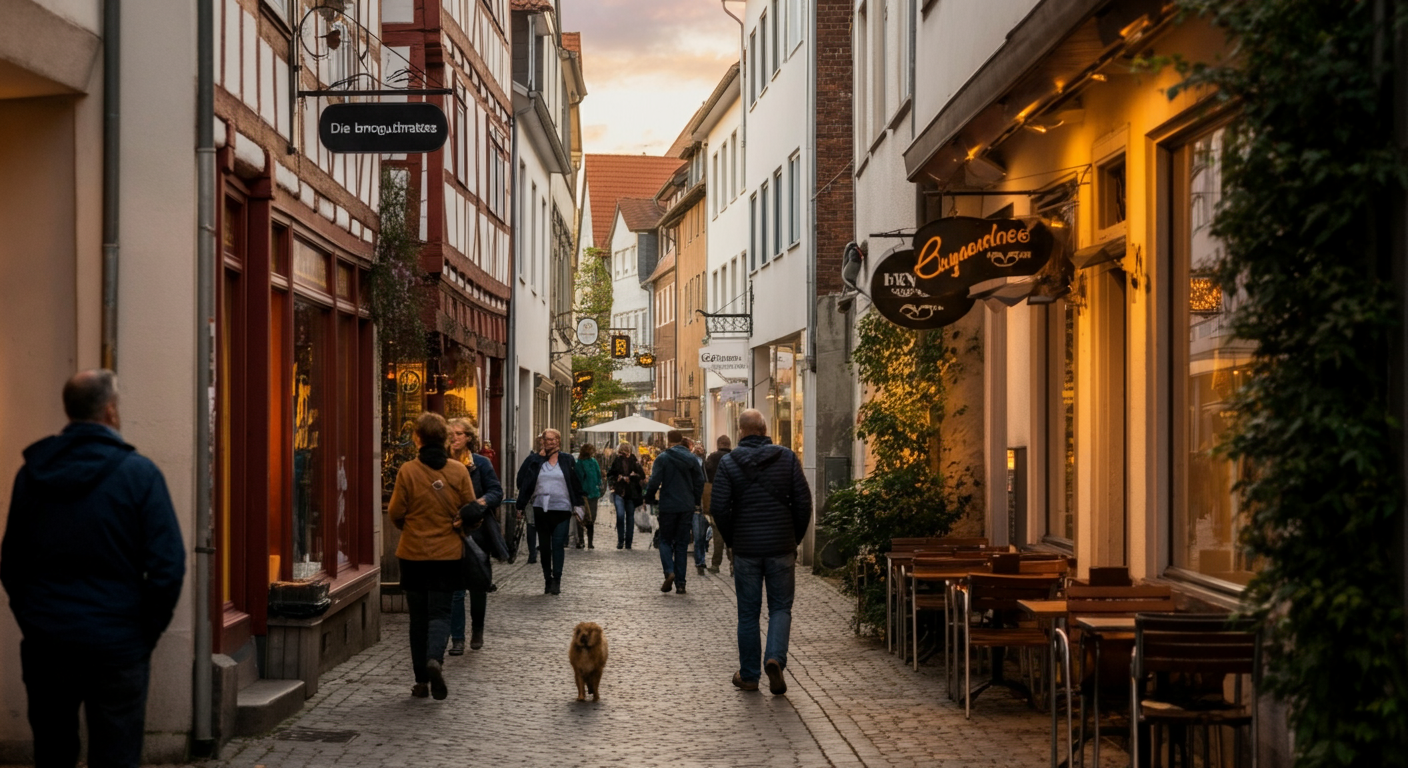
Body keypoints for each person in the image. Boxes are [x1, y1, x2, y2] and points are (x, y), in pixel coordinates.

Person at [1, 370, 186, 767]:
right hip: (117, 644)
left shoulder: (31, 475)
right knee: (116, 754)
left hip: (49, 642)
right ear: (110, 411)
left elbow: (11, 562)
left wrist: (35, 619)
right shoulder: (139, 475)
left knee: (53, 751)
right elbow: (168, 566)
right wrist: (143, 631)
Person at [709, 409, 811, 696]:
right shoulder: (788, 457)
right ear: (765, 430)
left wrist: (732, 540)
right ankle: (775, 658)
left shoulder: (729, 463)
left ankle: (750, 675)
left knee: (748, 614)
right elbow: (804, 503)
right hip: (781, 546)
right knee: (780, 608)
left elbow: (718, 507)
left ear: (741, 432)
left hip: (746, 549)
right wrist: (795, 539)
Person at [388, 412, 475, 700]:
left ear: (418, 438)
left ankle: (421, 682)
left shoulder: (408, 471)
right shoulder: (458, 471)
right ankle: (435, 659)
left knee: (418, 619)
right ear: (446, 438)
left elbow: (396, 513)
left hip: (412, 555)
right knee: (440, 612)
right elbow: (471, 511)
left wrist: (411, 528)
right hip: (447, 555)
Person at [446, 419, 505, 654]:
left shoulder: (481, 463)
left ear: (468, 437)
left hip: (477, 531)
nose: (454, 438)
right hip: (451, 532)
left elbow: (496, 492)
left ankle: (477, 629)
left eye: (459, 434)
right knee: (456, 589)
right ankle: (457, 638)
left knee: (478, 585)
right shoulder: (443, 463)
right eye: (450, 434)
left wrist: (478, 504)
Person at [515, 428, 585, 595]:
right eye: (548, 439)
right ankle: (547, 578)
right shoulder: (534, 460)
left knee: (558, 544)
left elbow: (575, 483)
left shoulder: (567, 460)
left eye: (554, 440)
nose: (551, 442)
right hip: (541, 508)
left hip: (562, 508)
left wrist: (579, 505)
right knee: (545, 547)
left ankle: (557, 580)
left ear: (559, 441)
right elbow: (522, 480)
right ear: (542, 441)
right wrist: (520, 505)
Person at [644, 431, 706, 595]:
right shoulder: (692, 459)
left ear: (668, 440)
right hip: (686, 505)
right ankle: (681, 583)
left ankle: (669, 571)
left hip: (668, 505)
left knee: (665, 540)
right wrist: (695, 500)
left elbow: (654, 481)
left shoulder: (662, 458)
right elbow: (700, 481)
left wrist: (649, 498)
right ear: (681, 440)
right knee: (681, 543)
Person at [704, 435, 734, 573]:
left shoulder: (712, 458)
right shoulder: (735, 457)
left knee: (718, 534)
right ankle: (734, 564)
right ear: (729, 444)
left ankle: (716, 564)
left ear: (718, 444)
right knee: (733, 536)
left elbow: (705, 477)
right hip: (733, 502)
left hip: (716, 499)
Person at [606, 442, 644, 549]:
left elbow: (642, 475)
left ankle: (628, 542)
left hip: (631, 493)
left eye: (625, 451)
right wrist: (616, 478)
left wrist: (631, 478)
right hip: (619, 491)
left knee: (630, 517)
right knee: (620, 515)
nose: (624, 454)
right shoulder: (617, 460)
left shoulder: (634, 460)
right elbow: (611, 474)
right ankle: (620, 540)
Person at [574, 444, 603, 549]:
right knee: (581, 517)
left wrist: (599, 487)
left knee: (592, 518)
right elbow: (579, 478)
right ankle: (581, 540)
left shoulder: (594, 462)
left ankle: (590, 541)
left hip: (593, 494)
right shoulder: (580, 463)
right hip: (583, 494)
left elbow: (598, 475)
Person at [690, 441, 710, 573]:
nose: (699, 448)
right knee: (698, 536)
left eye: (700, 447)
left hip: (707, 503)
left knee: (704, 535)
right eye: (696, 447)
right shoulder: (691, 464)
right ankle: (700, 561)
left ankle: (701, 558)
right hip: (696, 505)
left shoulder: (708, 464)